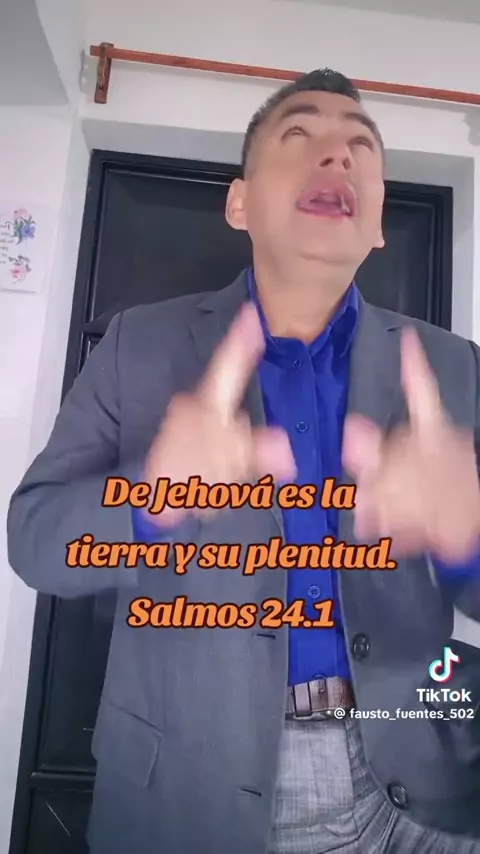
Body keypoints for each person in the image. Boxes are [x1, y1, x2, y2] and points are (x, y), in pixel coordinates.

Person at [7, 68, 480, 854]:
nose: (337, 155)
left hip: (425, 788)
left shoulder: (454, 367)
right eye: (300, 135)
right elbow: (33, 540)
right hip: (194, 788)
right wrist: (153, 500)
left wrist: (466, 542)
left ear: (377, 226)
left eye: (361, 147)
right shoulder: (138, 344)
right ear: (240, 203)